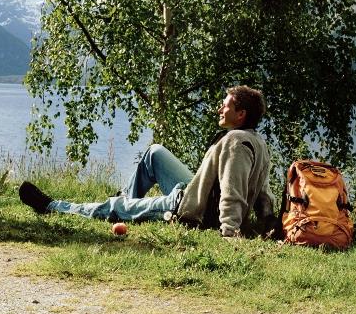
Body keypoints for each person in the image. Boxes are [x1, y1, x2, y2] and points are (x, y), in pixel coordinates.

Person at [18, 85, 274, 237]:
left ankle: (53, 206)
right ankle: (125, 204)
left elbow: (233, 191)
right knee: (155, 152)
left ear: (240, 114)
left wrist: (229, 231)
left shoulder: (236, 143)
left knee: (114, 207)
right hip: (193, 192)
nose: (220, 109)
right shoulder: (255, 141)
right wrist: (267, 222)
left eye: (225, 106)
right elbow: (263, 192)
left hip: (187, 208)